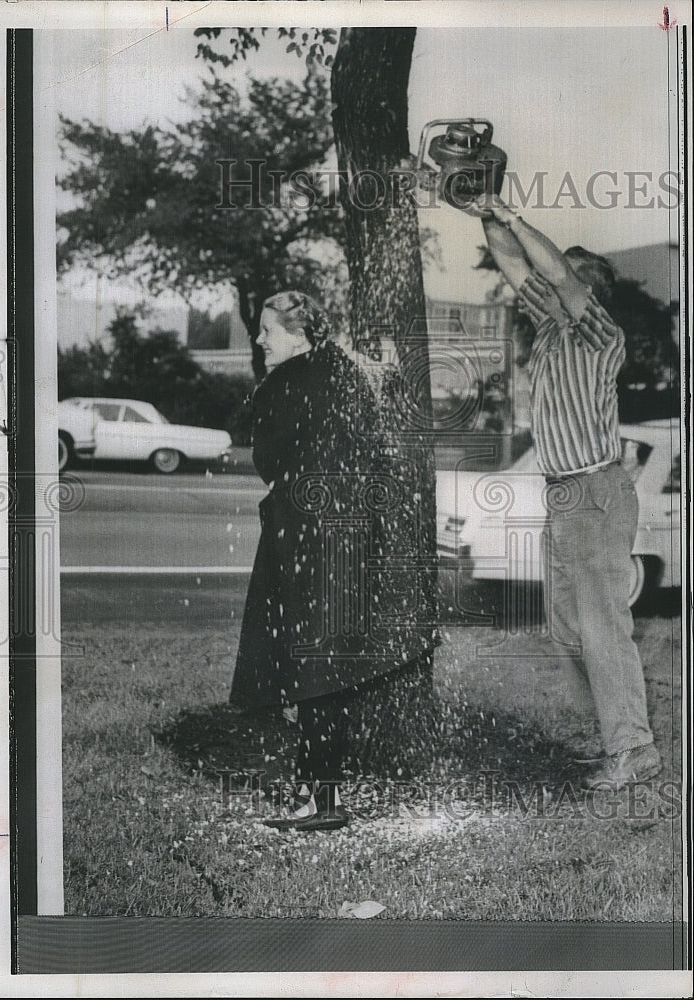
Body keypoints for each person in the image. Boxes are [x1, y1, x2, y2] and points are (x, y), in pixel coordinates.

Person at [472, 192, 661, 792]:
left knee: (604, 628)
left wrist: (513, 216)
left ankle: (633, 749)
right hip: (563, 496)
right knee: (567, 629)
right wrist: (483, 211)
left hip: (597, 491)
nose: (549, 287)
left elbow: (548, 267)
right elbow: (513, 264)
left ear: (586, 291)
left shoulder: (599, 332)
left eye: (564, 280)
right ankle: (615, 733)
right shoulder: (552, 333)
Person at [229, 291, 432, 831]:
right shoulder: (349, 373)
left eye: (268, 331)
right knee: (332, 665)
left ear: (296, 336)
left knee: (310, 667)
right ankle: (325, 790)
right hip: (353, 536)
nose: (260, 339)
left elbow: (268, 459)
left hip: (304, 539)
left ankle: (321, 802)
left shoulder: (285, 381)